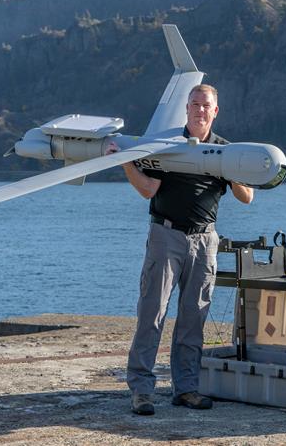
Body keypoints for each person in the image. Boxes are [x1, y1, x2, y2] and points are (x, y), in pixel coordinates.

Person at [110, 83, 254, 416]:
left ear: (215, 112)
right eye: (195, 104)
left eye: (206, 106)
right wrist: (125, 163)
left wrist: (231, 173)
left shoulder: (226, 151)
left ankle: (186, 389)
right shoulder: (168, 147)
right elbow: (148, 190)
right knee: (152, 314)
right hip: (166, 236)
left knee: (194, 319)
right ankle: (142, 391)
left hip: (205, 241)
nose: (200, 110)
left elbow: (247, 197)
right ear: (186, 109)